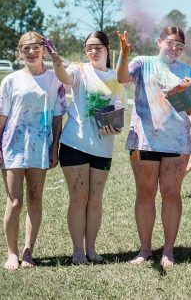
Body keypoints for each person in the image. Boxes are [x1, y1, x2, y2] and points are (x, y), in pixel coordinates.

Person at [116, 26, 191, 267]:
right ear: (159, 41)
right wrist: (124, 53)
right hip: (144, 140)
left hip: (176, 142)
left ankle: (168, 251)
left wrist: (180, 92)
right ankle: (144, 249)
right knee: (145, 194)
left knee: (171, 195)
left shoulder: (187, 70)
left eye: (180, 46)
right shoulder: (142, 62)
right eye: (171, 43)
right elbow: (122, 79)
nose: (175, 48)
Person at [0, 31, 66, 270]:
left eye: (36, 47)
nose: (31, 52)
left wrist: (55, 148)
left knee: (35, 200)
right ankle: (12, 253)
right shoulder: (11, 80)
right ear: (20, 52)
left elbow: (57, 118)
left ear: (44, 49)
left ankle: (28, 252)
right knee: (15, 202)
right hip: (13, 147)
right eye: (26, 49)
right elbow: (0, 118)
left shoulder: (55, 80)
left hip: (41, 148)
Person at [47, 32, 126, 264]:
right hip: (75, 143)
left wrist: (116, 128)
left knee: (95, 199)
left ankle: (91, 249)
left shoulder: (116, 76)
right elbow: (64, 77)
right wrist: (56, 60)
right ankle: (77, 250)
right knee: (78, 198)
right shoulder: (79, 69)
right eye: (88, 47)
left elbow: (118, 110)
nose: (93, 51)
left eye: (97, 47)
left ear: (107, 49)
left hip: (103, 147)